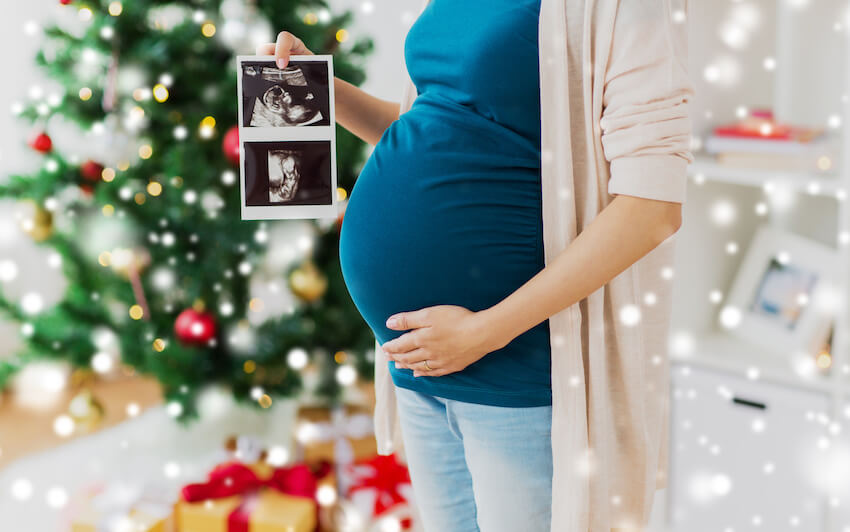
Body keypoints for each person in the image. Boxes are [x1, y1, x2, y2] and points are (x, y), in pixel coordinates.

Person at [258, 0, 693, 529]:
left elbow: (652, 208)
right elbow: (442, 125)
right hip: (419, 362)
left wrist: (486, 331)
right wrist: (321, 89)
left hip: (518, 367)